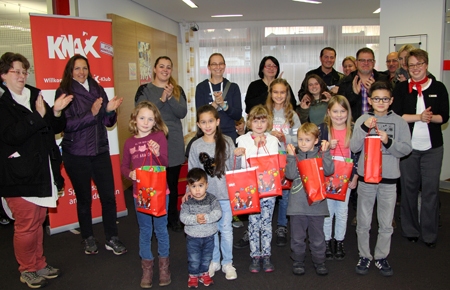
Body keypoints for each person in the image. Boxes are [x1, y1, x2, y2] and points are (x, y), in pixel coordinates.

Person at [0, 52, 73, 288]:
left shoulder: (34, 94)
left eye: (24, 71)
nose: (22, 76)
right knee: (26, 224)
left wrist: (57, 111)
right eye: (16, 71)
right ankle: (27, 269)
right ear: (3, 74)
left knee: (38, 220)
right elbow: (10, 136)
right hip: (17, 173)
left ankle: (39, 264)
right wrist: (38, 116)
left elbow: (53, 127)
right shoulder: (2, 102)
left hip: (43, 170)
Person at [56, 54, 126, 256]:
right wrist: (92, 114)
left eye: (84, 68)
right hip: (76, 154)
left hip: (99, 150)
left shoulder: (96, 88)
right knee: (84, 199)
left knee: (108, 197)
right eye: (77, 68)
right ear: (70, 71)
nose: (81, 72)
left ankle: (112, 237)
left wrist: (110, 111)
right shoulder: (64, 91)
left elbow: (107, 123)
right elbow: (66, 125)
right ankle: (87, 237)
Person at [350, 81, 412, 277]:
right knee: (364, 220)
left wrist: (388, 141)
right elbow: (354, 147)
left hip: (389, 179)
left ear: (391, 101)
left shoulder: (400, 122)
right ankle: (364, 255)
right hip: (367, 179)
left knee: (386, 222)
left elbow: (406, 149)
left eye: (385, 99)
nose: (381, 102)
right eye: (376, 99)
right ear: (369, 100)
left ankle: (381, 256)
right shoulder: (363, 120)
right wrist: (362, 128)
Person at [392, 49, 449, 248]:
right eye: (412, 65)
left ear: (426, 65)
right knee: (408, 189)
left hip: (433, 148)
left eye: (419, 64)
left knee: (431, 190)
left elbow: (444, 116)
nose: (416, 68)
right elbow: (396, 115)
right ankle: (410, 230)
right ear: (407, 67)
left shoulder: (439, 87)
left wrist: (429, 118)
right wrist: (419, 117)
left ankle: (430, 233)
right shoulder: (400, 88)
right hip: (409, 149)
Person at [120, 101, 171, 288]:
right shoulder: (129, 143)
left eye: (150, 119)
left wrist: (157, 153)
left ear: (155, 121)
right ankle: (147, 268)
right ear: (135, 119)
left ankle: (164, 266)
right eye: (142, 118)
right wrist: (130, 174)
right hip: (139, 194)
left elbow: (164, 163)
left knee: (161, 229)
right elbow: (124, 166)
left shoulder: (158, 137)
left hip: (159, 192)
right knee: (145, 230)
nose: (146, 122)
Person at [135, 56, 187, 232]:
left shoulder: (178, 89)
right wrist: (162, 99)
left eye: (168, 67)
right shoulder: (145, 90)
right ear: (155, 69)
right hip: (150, 144)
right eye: (162, 66)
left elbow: (182, 112)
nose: (165, 70)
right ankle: (153, 217)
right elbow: (140, 112)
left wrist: (171, 97)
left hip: (172, 143)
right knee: (153, 184)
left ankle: (172, 217)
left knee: (171, 185)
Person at [187, 105, 237, 280]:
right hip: (206, 198)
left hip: (225, 195)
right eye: (203, 122)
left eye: (210, 121)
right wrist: (189, 190)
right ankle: (214, 261)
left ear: (217, 122)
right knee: (211, 230)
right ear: (199, 125)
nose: (207, 125)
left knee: (226, 229)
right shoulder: (196, 145)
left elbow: (234, 169)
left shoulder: (228, 141)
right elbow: (192, 171)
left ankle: (228, 263)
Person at [285, 122, 334, 276]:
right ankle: (298, 260)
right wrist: (291, 157)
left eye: (307, 140)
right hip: (297, 206)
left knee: (317, 237)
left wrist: (326, 153)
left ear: (316, 141)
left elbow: (329, 170)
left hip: (317, 205)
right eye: (300, 139)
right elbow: (290, 175)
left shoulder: (320, 154)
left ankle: (319, 261)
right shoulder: (296, 156)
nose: (303, 143)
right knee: (297, 237)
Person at [235, 105, 279, 273]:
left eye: (263, 120)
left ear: (268, 122)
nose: (259, 124)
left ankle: (266, 254)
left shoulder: (273, 140)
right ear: (249, 122)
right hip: (251, 188)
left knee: (266, 223)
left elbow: (271, 161)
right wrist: (242, 151)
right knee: (253, 224)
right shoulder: (243, 140)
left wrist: (261, 145)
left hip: (268, 188)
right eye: (256, 120)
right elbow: (244, 163)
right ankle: (255, 255)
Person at [320, 96, 358, 260]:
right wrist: (327, 148)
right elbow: (313, 152)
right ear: (329, 112)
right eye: (335, 111)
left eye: (343, 111)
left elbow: (358, 155)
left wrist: (355, 176)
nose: (339, 115)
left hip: (346, 176)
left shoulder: (353, 129)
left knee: (342, 212)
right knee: (327, 211)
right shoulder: (322, 129)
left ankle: (339, 240)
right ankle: (326, 241)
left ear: (348, 112)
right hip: (327, 175)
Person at [265, 78, 301, 247]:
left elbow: (300, 138)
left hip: (286, 160)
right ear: (270, 94)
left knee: (285, 195)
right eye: (275, 92)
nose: (279, 95)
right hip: (268, 161)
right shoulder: (265, 112)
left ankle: (281, 226)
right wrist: (267, 134)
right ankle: (264, 224)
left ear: (287, 94)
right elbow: (254, 133)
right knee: (268, 193)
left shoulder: (292, 115)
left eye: (282, 92)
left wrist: (285, 138)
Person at [180, 168, 222, 288]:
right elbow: (183, 217)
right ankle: (193, 275)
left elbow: (218, 212)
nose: (197, 189)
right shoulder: (188, 202)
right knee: (194, 258)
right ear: (188, 187)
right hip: (193, 237)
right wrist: (195, 219)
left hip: (209, 236)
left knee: (207, 257)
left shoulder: (212, 199)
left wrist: (207, 218)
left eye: (200, 185)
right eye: (193, 186)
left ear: (207, 185)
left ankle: (204, 273)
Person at [195, 53, 242, 143]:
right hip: (208, 135)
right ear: (209, 67)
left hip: (229, 134)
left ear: (224, 66)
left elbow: (238, 115)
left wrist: (224, 105)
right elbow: (199, 114)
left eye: (221, 64)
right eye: (214, 64)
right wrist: (214, 105)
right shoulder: (201, 87)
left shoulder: (233, 87)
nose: (218, 67)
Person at [338, 47, 389, 122]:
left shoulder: (384, 80)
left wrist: (373, 93)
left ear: (374, 63)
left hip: (379, 124)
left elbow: (390, 106)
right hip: (354, 126)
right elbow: (340, 108)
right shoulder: (346, 81)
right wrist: (354, 95)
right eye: (362, 60)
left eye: (369, 60)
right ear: (356, 63)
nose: (366, 63)